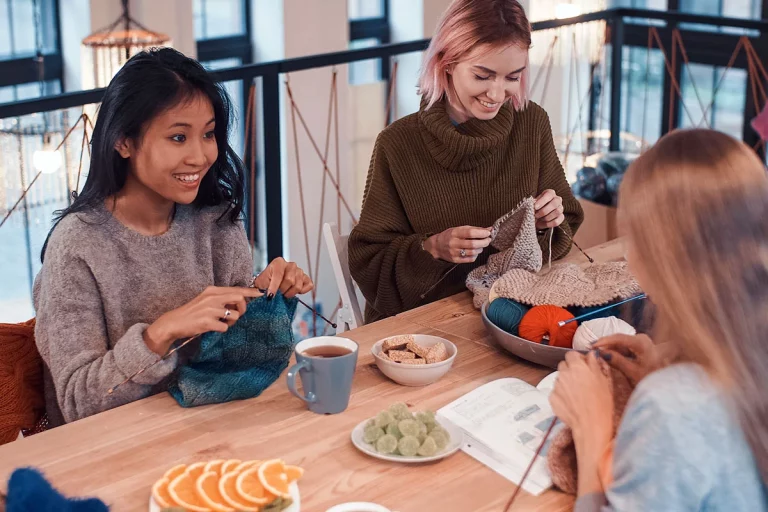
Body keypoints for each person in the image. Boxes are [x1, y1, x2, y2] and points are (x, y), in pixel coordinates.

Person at [34, 48, 313, 426]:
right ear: (123, 141)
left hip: (214, 428)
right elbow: (78, 404)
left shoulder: (216, 219)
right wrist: (161, 333)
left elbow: (230, 361)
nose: (200, 156)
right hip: (117, 451)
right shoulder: (77, 247)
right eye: (179, 137)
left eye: (209, 134)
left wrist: (263, 294)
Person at [550, 129, 768, 511]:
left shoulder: (672, 407)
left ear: (662, 257)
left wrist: (591, 430)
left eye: (634, 239)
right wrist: (673, 365)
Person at [348, 0, 583, 323]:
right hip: (423, 326)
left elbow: (564, 227)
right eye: (483, 76)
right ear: (446, 63)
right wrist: (432, 249)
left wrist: (548, 222)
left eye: (512, 77)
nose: (498, 94)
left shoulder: (531, 123)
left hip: (509, 312)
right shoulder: (398, 144)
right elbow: (369, 263)